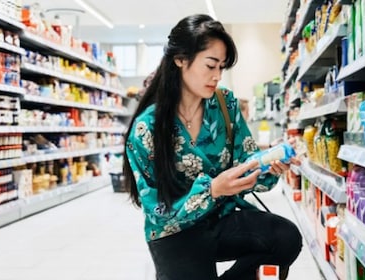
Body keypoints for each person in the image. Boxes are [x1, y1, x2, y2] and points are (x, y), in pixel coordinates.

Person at [122, 14, 303, 280]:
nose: (217, 76)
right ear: (180, 59)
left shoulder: (225, 105)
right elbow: (158, 212)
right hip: (175, 232)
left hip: (221, 220)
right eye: (210, 65)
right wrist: (213, 190)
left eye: (222, 67)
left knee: (286, 238)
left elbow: (247, 161)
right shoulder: (146, 128)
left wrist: (268, 165)